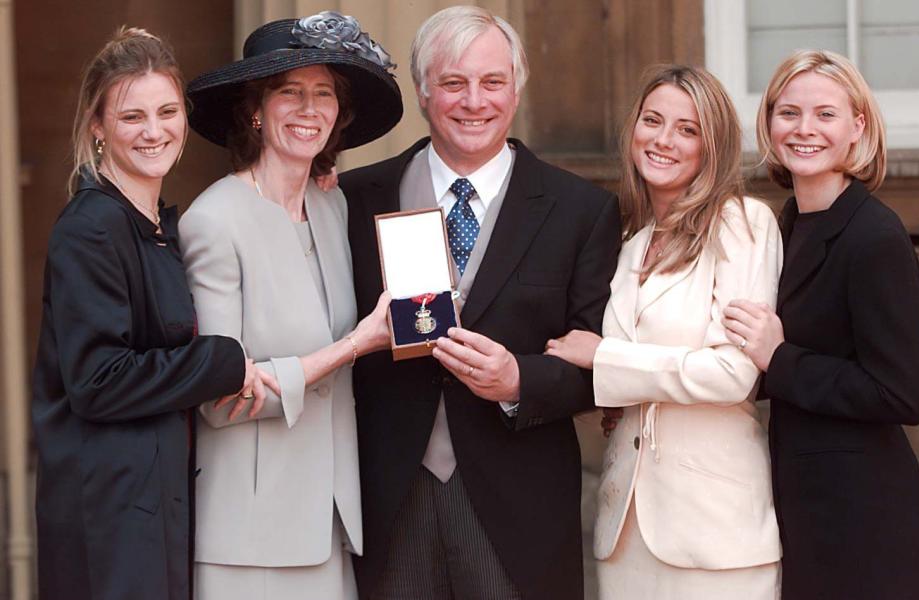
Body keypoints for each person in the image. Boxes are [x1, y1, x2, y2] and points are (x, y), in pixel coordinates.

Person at [339, 6, 621, 600]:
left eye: (492, 82)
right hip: (389, 498)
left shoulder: (580, 211)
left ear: (516, 88)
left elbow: (601, 366)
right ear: (421, 90)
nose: (474, 101)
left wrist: (522, 380)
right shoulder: (354, 199)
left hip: (518, 506)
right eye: (453, 82)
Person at [31, 27, 264, 600]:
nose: (155, 131)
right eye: (132, 116)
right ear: (97, 125)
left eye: (167, 110)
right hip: (108, 518)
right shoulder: (90, 229)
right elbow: (97, 382)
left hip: (151, 507)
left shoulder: (155, 227)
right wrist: (221, 361)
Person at [178, 11, 402, 600]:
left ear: (339, 114)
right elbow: (221, 399)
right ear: (256, 109)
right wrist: (355, 346)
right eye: (290, 92)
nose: (309, 109)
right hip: (249, 543)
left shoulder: (332, 208)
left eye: (323, 94)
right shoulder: (213, 221)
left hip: (330, 525)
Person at [545, 65, 783, 599]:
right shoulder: (628, 238)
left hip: (715, 530)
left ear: (713, 146)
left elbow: (733, 375)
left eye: (687, 129)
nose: (663, 139)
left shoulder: (742, 224)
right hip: (625, 528)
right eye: (652, 121)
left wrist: (607, 361)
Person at [722, 49, 919, 599]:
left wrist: (781, 358)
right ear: (768, 123)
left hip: (864, 524)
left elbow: (903, 394)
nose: (804, 129)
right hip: (799, 505)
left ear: (856, 128)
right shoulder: (783, 224)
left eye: (825, 114)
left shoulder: (875, 236)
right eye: (788, 112)